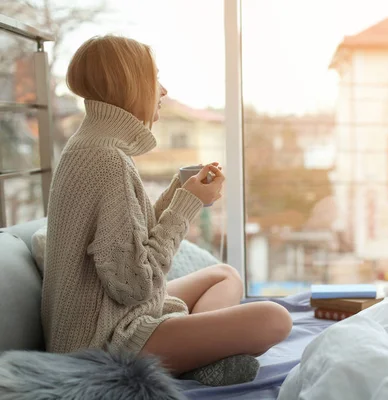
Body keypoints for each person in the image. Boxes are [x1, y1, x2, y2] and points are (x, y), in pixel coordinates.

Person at [41, 35, 292, 386]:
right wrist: (187, 206)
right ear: (130, 84)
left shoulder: (91, 147)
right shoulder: (105, 160)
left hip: (114, 319)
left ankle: (201, 352)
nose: (163, 91)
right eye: (155, 78)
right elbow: (134, 286)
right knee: (274, 318)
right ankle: (202, 354)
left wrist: (180, 191)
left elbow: (131, 242)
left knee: (225, 275)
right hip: (104, 347)